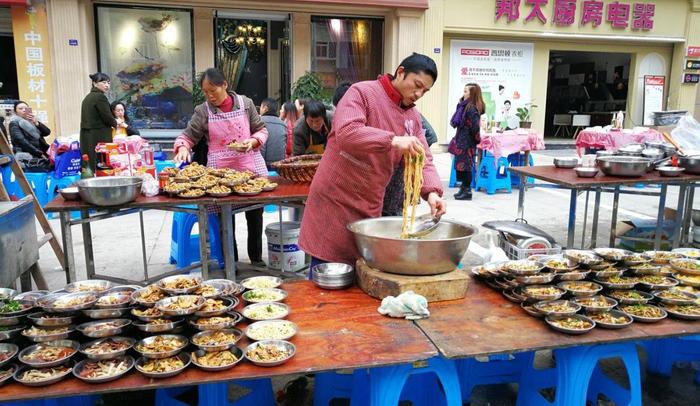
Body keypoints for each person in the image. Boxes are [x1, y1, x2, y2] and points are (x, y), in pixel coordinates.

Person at [299, 53, 446, 267]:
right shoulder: (362, 93)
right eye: (417, 85)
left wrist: (432, 193)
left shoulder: (412, 117)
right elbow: (347, 132)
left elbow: (423, 158)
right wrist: (394, 140)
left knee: (362, 270)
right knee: (328, 270)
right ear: (401, 72)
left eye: (425, 91)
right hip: (335, 199)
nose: (418, 94)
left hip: (369, 202)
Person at [173, 67, 269, 267]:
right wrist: (182, 147)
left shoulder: (246, 104)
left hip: (249, 168)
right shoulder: (203, 110)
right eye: (206, 92)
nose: (210, 96)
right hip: (220, 176)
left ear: (224, 85)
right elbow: (189, 135)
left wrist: (252, 142)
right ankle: (230, 261)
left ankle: (256, 259)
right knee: (225, 221)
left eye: (213, 91)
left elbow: (261, 130)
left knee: (255, 216)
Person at [382, 113, 438, 216]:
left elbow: (425, 160)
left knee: (393, 210)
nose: (417, 95)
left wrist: (432, 192)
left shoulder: (412, 114)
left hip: (397, 174)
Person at [449, 82, 484, 201]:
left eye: (465, 91)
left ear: (472, 94)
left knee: (467, 166)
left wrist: (476, 139)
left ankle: (467, 191)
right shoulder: (463, 106)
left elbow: (475, 127)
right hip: (461, 140)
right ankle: (463, 189)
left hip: (468, 142)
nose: (463, 94)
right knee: (460, 166)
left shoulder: (472, 108)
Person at [80, 72, 118, 170]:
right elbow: (107, 117)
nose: (107, 85)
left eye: (108, 83)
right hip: (99, 136)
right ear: (95, 83)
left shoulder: (88, 97)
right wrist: (116, 124)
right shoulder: (100, 97)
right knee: (102, 164)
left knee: (90, 164)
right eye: (104, 82)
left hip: (87, 136)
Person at [8, 101, 52, 172]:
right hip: (26, 155)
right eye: (20, 108)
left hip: (39, 153)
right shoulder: (14, 123)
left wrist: (36, 123)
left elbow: (47, 132)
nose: (24, 110)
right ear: (16, 112)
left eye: (26, 108)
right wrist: (39, 153)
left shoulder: (32, 121)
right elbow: (21, 141)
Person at [259, 97, 287, 169]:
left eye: (261, 107)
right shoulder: (283, 124)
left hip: (264, 165)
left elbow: (261, 146)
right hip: (280, 164)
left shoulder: (259, 122)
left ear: (265, 108)